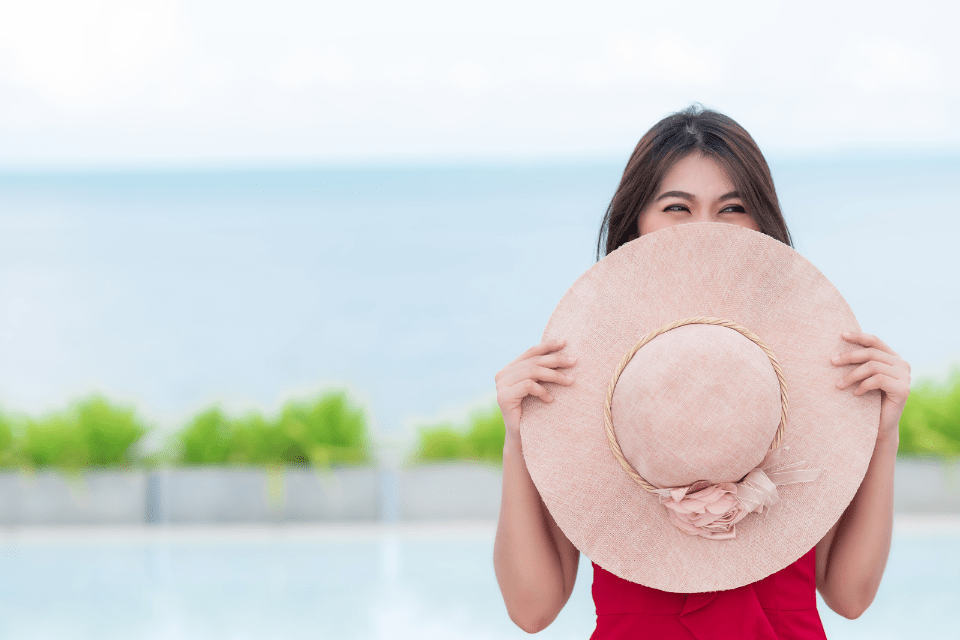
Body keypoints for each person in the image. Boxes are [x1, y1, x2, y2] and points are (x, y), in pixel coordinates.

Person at [492, 105, 912, 635]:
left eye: (732, 207)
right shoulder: (583, 377)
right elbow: (532, 610)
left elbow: (849, 596)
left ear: (762, 221)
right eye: (677, 207)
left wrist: (883, 430)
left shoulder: (811, 369)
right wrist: (518, 436)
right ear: (636, 224)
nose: (706, 230)